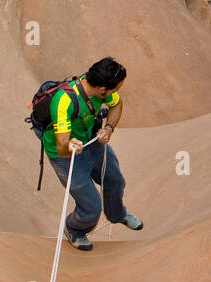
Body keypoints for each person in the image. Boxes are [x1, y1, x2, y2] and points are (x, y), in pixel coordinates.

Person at [38, 57, 143, 252]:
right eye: (115, 90)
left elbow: (116, 105)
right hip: (66, 157)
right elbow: (62, 147)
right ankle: (75, 230)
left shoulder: (97, 88)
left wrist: (109, 128)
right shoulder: (64, 101)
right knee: (91, 207)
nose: (116, 94)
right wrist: (71, 145)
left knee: (115, 181)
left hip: (91, 143)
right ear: (102, 89)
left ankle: (117, 215)